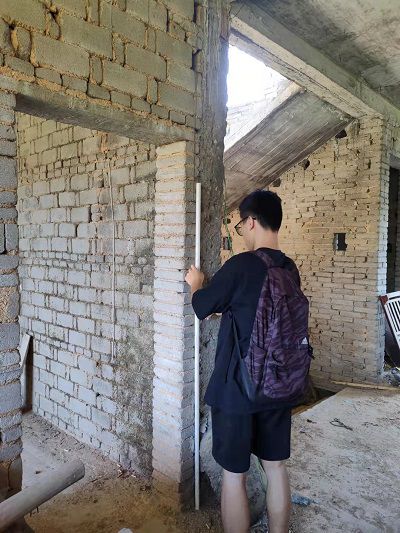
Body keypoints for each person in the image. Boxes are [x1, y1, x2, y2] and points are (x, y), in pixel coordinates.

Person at [185, 190, 303, 533]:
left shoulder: (241, 265)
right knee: (275, 467)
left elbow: (202, 307)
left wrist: (196, 284)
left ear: (251, 222)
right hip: (279, 384)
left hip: (238, 388)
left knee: (234, 475)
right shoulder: (289, 269)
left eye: (240, 226)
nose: (242, 232)